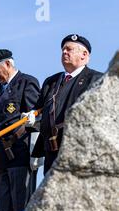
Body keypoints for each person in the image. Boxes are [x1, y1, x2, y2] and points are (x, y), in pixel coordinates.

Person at [23, 34, 102, 174]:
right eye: (63, 50)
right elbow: (40, 111)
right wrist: (33, 119)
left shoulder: (96, 79)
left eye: (69, 49)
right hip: (51, 151)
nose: (64, 52)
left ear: (84, 55)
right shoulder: (51, 82)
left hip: (78, 150)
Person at [0, 49, 40, 211]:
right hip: (2, 153)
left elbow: (35, 117)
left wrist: (35, 152)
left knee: (20, 204)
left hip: (21, 151)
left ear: (8, 64)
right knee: (4, 204)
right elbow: (2, 117)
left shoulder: (27, 82)